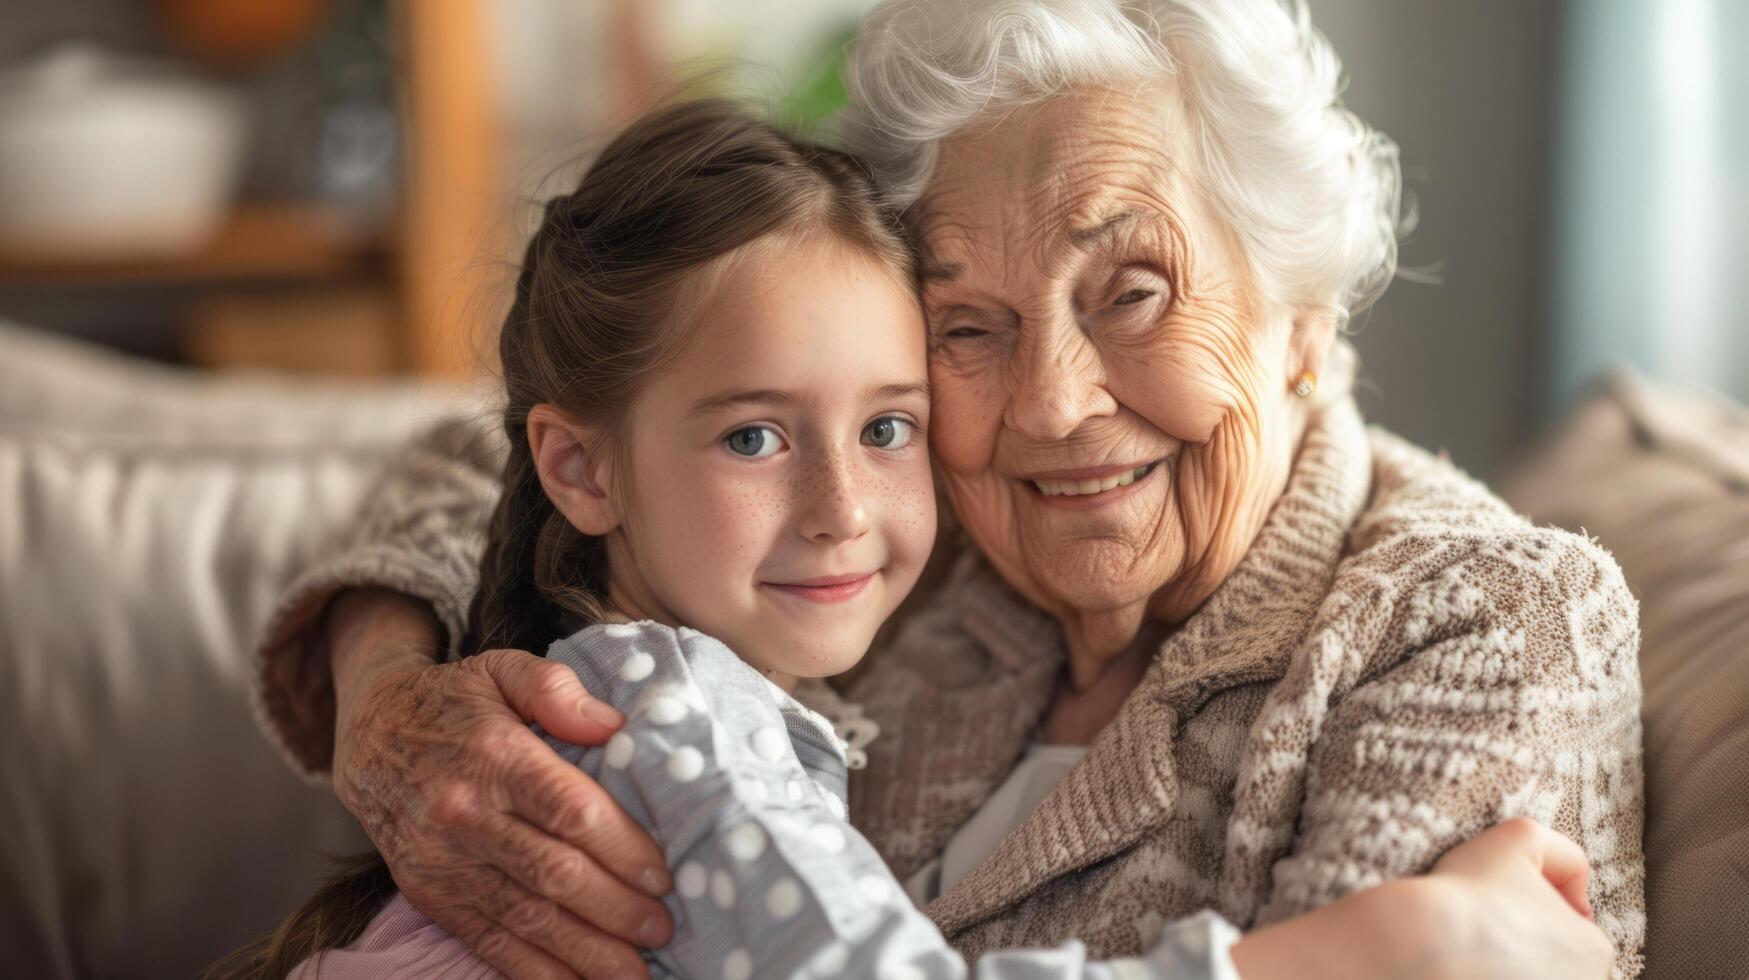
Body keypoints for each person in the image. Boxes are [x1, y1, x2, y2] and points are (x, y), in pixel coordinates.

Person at [248, 2, 1644, 978]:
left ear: (1298, 315)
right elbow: (506, 437)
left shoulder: (1472, 622)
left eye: (1133, 292)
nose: (1046, 407)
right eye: (966, 325)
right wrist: (391, 691)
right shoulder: (898, 527)